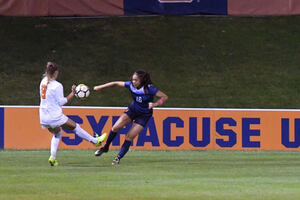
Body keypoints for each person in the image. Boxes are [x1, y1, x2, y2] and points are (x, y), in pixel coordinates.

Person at [39, 62, 107, 167]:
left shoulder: (43, 82)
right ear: (56, 72)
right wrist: (73, 93)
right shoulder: (57, 85)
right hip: (54, 116)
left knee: (57, 134)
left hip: (43, 116)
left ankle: (52, 157)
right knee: (75, 127)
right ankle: (95, 141)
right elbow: (62, 102)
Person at [94, 70, 168, 165]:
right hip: (133, 110)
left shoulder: (150, 89)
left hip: (144, 115)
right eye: (133, 79)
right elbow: (115, 83)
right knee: (115, 127)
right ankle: (105, 148)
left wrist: (156, 104)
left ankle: (118, 158)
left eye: (136, 80)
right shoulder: (130, 85)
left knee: (129, 136)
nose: (133, 82)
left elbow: (164, 97)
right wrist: (99, 87)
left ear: (142, 80)